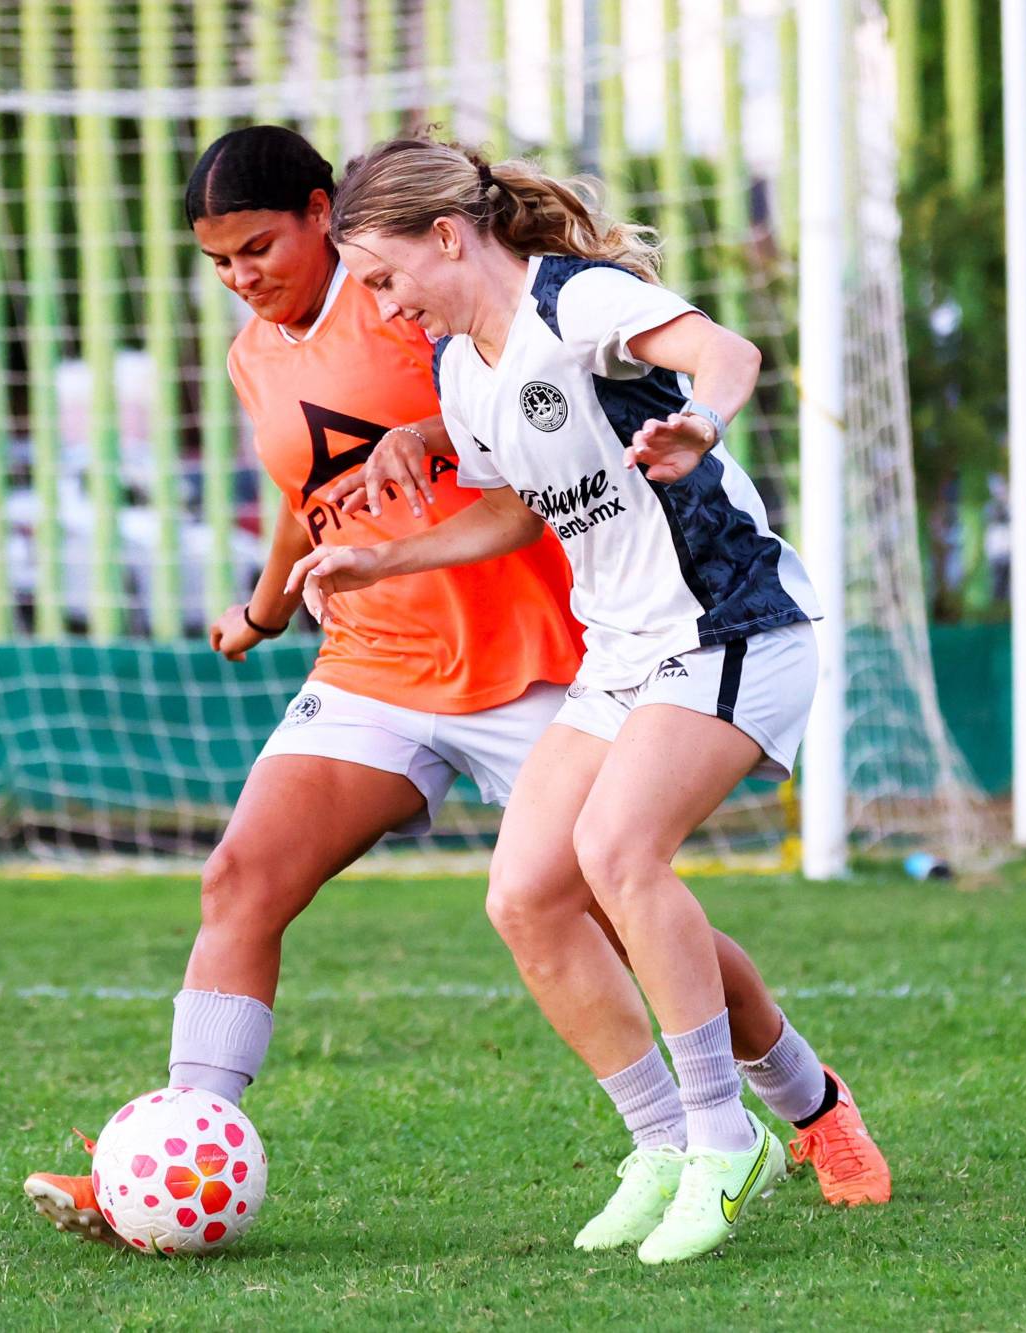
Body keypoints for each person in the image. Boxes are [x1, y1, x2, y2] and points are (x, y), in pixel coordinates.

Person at [23, 127, 873, 1254]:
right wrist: (282, 596)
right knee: (251, 878)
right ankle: (175, 1155)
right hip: (382, 660)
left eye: (256, 247)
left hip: (547, 654)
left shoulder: (464, 299)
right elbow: (314, 488)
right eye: (217, 262)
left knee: (620, 893)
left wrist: (691, 420)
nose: (240, 278)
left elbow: (647, 386)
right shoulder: (276, 352)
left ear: (333, 216)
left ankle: (795, 1108)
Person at [286, 138, 891, 1263]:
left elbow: (726, 348)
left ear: (446, 236)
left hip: (730, 627)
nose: (381, 304)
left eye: (381, 277)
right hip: (623, 654)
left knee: (619, 855)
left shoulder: (575, 301)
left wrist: (701, 419)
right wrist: (384, 561)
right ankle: (664, 1142)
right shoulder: (463, 367)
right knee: (522, 897)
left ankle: (729, 1139)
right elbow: (524, 508)